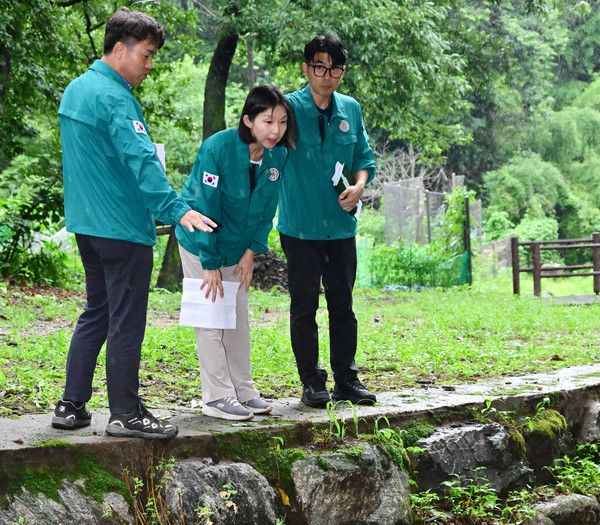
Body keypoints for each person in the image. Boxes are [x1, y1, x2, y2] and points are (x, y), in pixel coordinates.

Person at [52, 6, 215, 440]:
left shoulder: (76, 90)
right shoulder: (115, 98)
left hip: (87, 226)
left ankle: (71, 404)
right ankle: (125, 412)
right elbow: (142, 161)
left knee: (98, 312)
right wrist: (177, 209)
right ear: (119, 48)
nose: (149, 63)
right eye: (146, 54)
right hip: (122, 229)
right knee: (126, 320)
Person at [176, 85, 294, 421]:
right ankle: (217, 396)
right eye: (268, 121)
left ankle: (242, 388)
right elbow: (204, 206)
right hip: (201, 241)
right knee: (211, 316)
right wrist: (209, 262)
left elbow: (267, 207)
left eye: (282, 122)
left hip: (237, 246)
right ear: (248, 120)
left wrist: (250, 251)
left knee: (237, 316)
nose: (276, 130)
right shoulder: (218, 148)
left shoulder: (278, 155)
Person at [278, 33, 377, 409]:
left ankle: (346, 379)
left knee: (343, 304)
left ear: (342, 72)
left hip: (340, 227)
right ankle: (311, 382)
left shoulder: (350, 109)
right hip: (299, 227)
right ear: (306, 69)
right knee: (304, 306)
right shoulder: (287, 107)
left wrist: (360, 187)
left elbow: (364, 159)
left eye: (334, 68)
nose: (326, 75)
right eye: (319, 66)